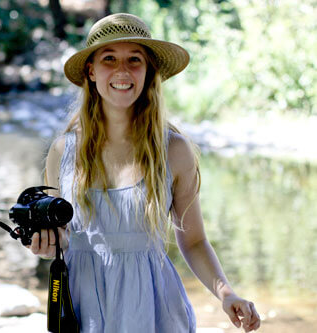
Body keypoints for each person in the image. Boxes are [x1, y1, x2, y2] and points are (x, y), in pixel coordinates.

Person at [27, 13, 261, 332]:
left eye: (134, 59)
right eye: (109, 58)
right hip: (83, 305)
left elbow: (193, 241)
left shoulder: (174, 151)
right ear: (91, 72)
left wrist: (226, 294)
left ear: (148, 71)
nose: (123, 70)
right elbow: (62, 236)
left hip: (152, 306)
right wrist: (47, 242)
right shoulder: (62, 152)